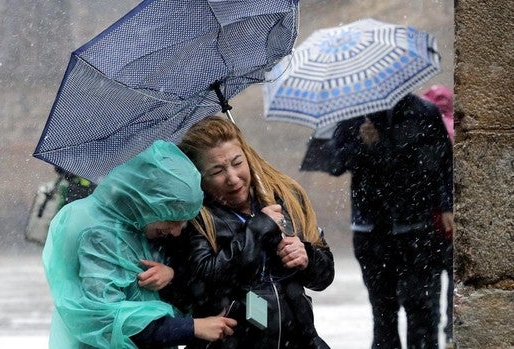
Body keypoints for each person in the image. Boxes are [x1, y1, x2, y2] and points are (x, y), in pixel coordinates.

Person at [42, 140, 237, 349]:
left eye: (183, 222)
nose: (176, 231)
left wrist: (172, 275)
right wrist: (192, 327)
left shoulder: (136, 226)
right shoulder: (100, 235)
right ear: (147, 203)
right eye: (172, 220)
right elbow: (107, 322)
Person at [172, 116, 334, 349]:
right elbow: (200, 284)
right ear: (200, 179)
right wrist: (256, 231)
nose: (233, 178)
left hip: (299, 341)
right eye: (217, 171)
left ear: (247, 156)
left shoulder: (285, 196)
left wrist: (306, 257)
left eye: (237, 162)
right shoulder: (194, 220)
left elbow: (324, 277)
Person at [328, 94, 454, 349]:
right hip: (371, 230)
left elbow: (443, 163)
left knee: (422, 311)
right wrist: (363, 145)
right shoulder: (354, 115)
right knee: (383, 313)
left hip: (416, 229)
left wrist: (446, 205)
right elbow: (335, 163)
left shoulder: (423, 111)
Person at [421, 84, 455, 346]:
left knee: (430, 283)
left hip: (426, 223)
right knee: (455, 280)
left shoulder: (425, 129)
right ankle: (452, 328)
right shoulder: (455, 130)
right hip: (454, 221)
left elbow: (431, 174)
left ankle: (432, 330)